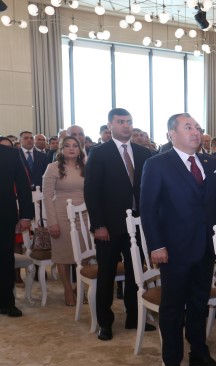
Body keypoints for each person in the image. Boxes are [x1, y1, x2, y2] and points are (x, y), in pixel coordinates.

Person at [140, 113, 216, 366]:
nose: (196, 132)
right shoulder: (157, 164)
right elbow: (148, 208)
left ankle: (199, 353)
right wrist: (156, 245)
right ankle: (172, 360)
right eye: (188, 127)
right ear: (172, 134)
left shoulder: (211, 162)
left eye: (198, 128)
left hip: (205, 246)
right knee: (173, 306)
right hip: (174, 248)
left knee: (199, 304)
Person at [83, 109, 153, 341]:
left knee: (136, 274)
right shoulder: (99, 152)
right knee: (106, 275)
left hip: (137, 225)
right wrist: (98, 225)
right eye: (121, 122)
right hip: (109, 226)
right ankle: (105, 323)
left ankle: (134, 317)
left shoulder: (143, 152)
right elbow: (92, 191)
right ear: (110, 125)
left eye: (129, 122)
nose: (126, 126)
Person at [42, 136, 86, 306]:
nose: (71, 148)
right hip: (61, 214)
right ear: (61, 149)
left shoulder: (86, 166)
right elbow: (47, 197)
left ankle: (79, 288)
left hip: (84, 215)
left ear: (80, 149)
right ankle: (68, 290)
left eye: (75, 145)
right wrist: (52, 222)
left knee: (84, 254)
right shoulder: (52, 167)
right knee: (63, 255)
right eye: (67, 146)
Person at [0, 142, 34, 317]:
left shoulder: (10, 154)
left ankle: (6, 302)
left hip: (4, 216)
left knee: (5, 259)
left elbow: (23, 185)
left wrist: (26, 215)